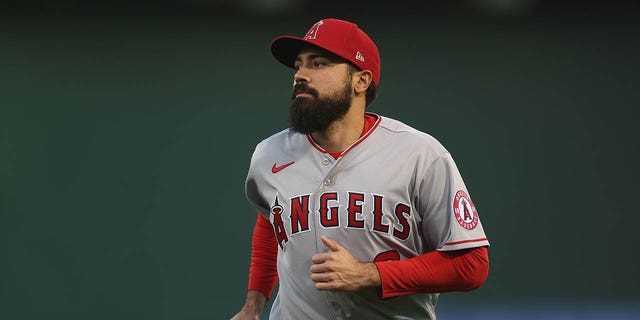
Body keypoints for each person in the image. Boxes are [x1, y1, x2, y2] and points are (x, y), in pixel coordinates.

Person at [231, 18, 490, 319]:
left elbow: (471, 264)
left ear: (361, 81)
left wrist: (371, 275)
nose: (300, 75)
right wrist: (254, 303)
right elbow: (271, 221)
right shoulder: (269, 155)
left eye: (318, 64)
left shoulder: (420, 154)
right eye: (299, 65)